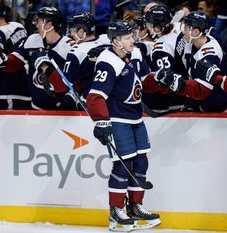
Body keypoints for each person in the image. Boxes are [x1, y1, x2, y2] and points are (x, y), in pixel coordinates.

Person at [86, 20, 160, 232]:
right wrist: (101, 121)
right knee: (122, 165)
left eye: (133, 36)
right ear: (116, 41)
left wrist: (161, 79)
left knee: (141, 162)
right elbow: (95, 97)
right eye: (128, 37)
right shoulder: (108, 61)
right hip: (118, 119)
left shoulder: (133, 53)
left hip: (136, 117)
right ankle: (116, 212)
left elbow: (146, 80)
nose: (133, 40)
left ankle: (135, 206)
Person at [0, 6, 78, 110]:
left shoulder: (68, 46)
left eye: (39, 21)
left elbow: (73, 82)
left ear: (49, 24)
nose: (36, 25)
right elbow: (14, 62)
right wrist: (2, 61)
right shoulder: (32, 40)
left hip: (61, 110)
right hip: (35, 107)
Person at [143, 4, 197, 113]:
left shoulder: (160, 47)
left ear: (157, 27)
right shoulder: (181, 30)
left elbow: (166, 81)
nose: (147, 27)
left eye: (149, 24)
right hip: (193, 87)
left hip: (179, 98)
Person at [64, 11, 110, 100]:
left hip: (91, 100)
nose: (71, 34)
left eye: (72, 31)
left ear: (81, 31)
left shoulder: (76, 52)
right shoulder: (108, 39)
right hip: (115, 96)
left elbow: (66, 83)